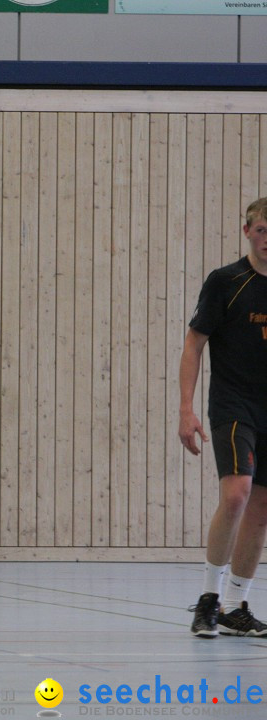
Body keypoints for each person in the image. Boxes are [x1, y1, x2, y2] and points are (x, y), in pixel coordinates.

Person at [182, 197, 267, 639]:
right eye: (262, 231)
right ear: (247, 231)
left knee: (260, 508)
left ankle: (237, 606)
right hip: (235, 405)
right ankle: (209, 600)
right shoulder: (226, 282)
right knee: (236, 494)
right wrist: (186, 408)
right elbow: (194, 344)